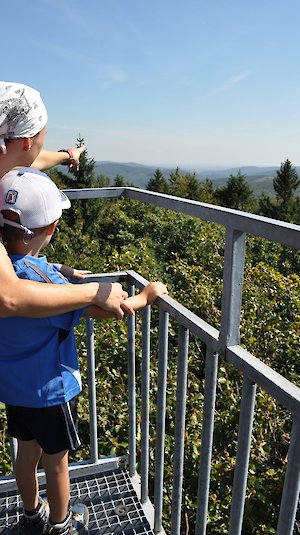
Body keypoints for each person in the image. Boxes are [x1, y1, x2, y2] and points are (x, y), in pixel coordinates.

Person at [0, 168, 167, 535]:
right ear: (52, 229)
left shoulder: (7, 275)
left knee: (26, 457)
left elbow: (31, 268)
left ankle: (32, 516)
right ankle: (62, 525)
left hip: (14, 389)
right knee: (57, 463)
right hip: (51, 391)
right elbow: (102, 308)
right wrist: (146, 296)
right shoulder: (45, 284)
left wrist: (63, 271)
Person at [0, 80, 133, 320]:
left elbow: (34, 159)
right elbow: (8, 297)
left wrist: (68, 155)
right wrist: (96, 291)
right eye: (44, 134)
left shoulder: (7, 161)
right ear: (28, 141)